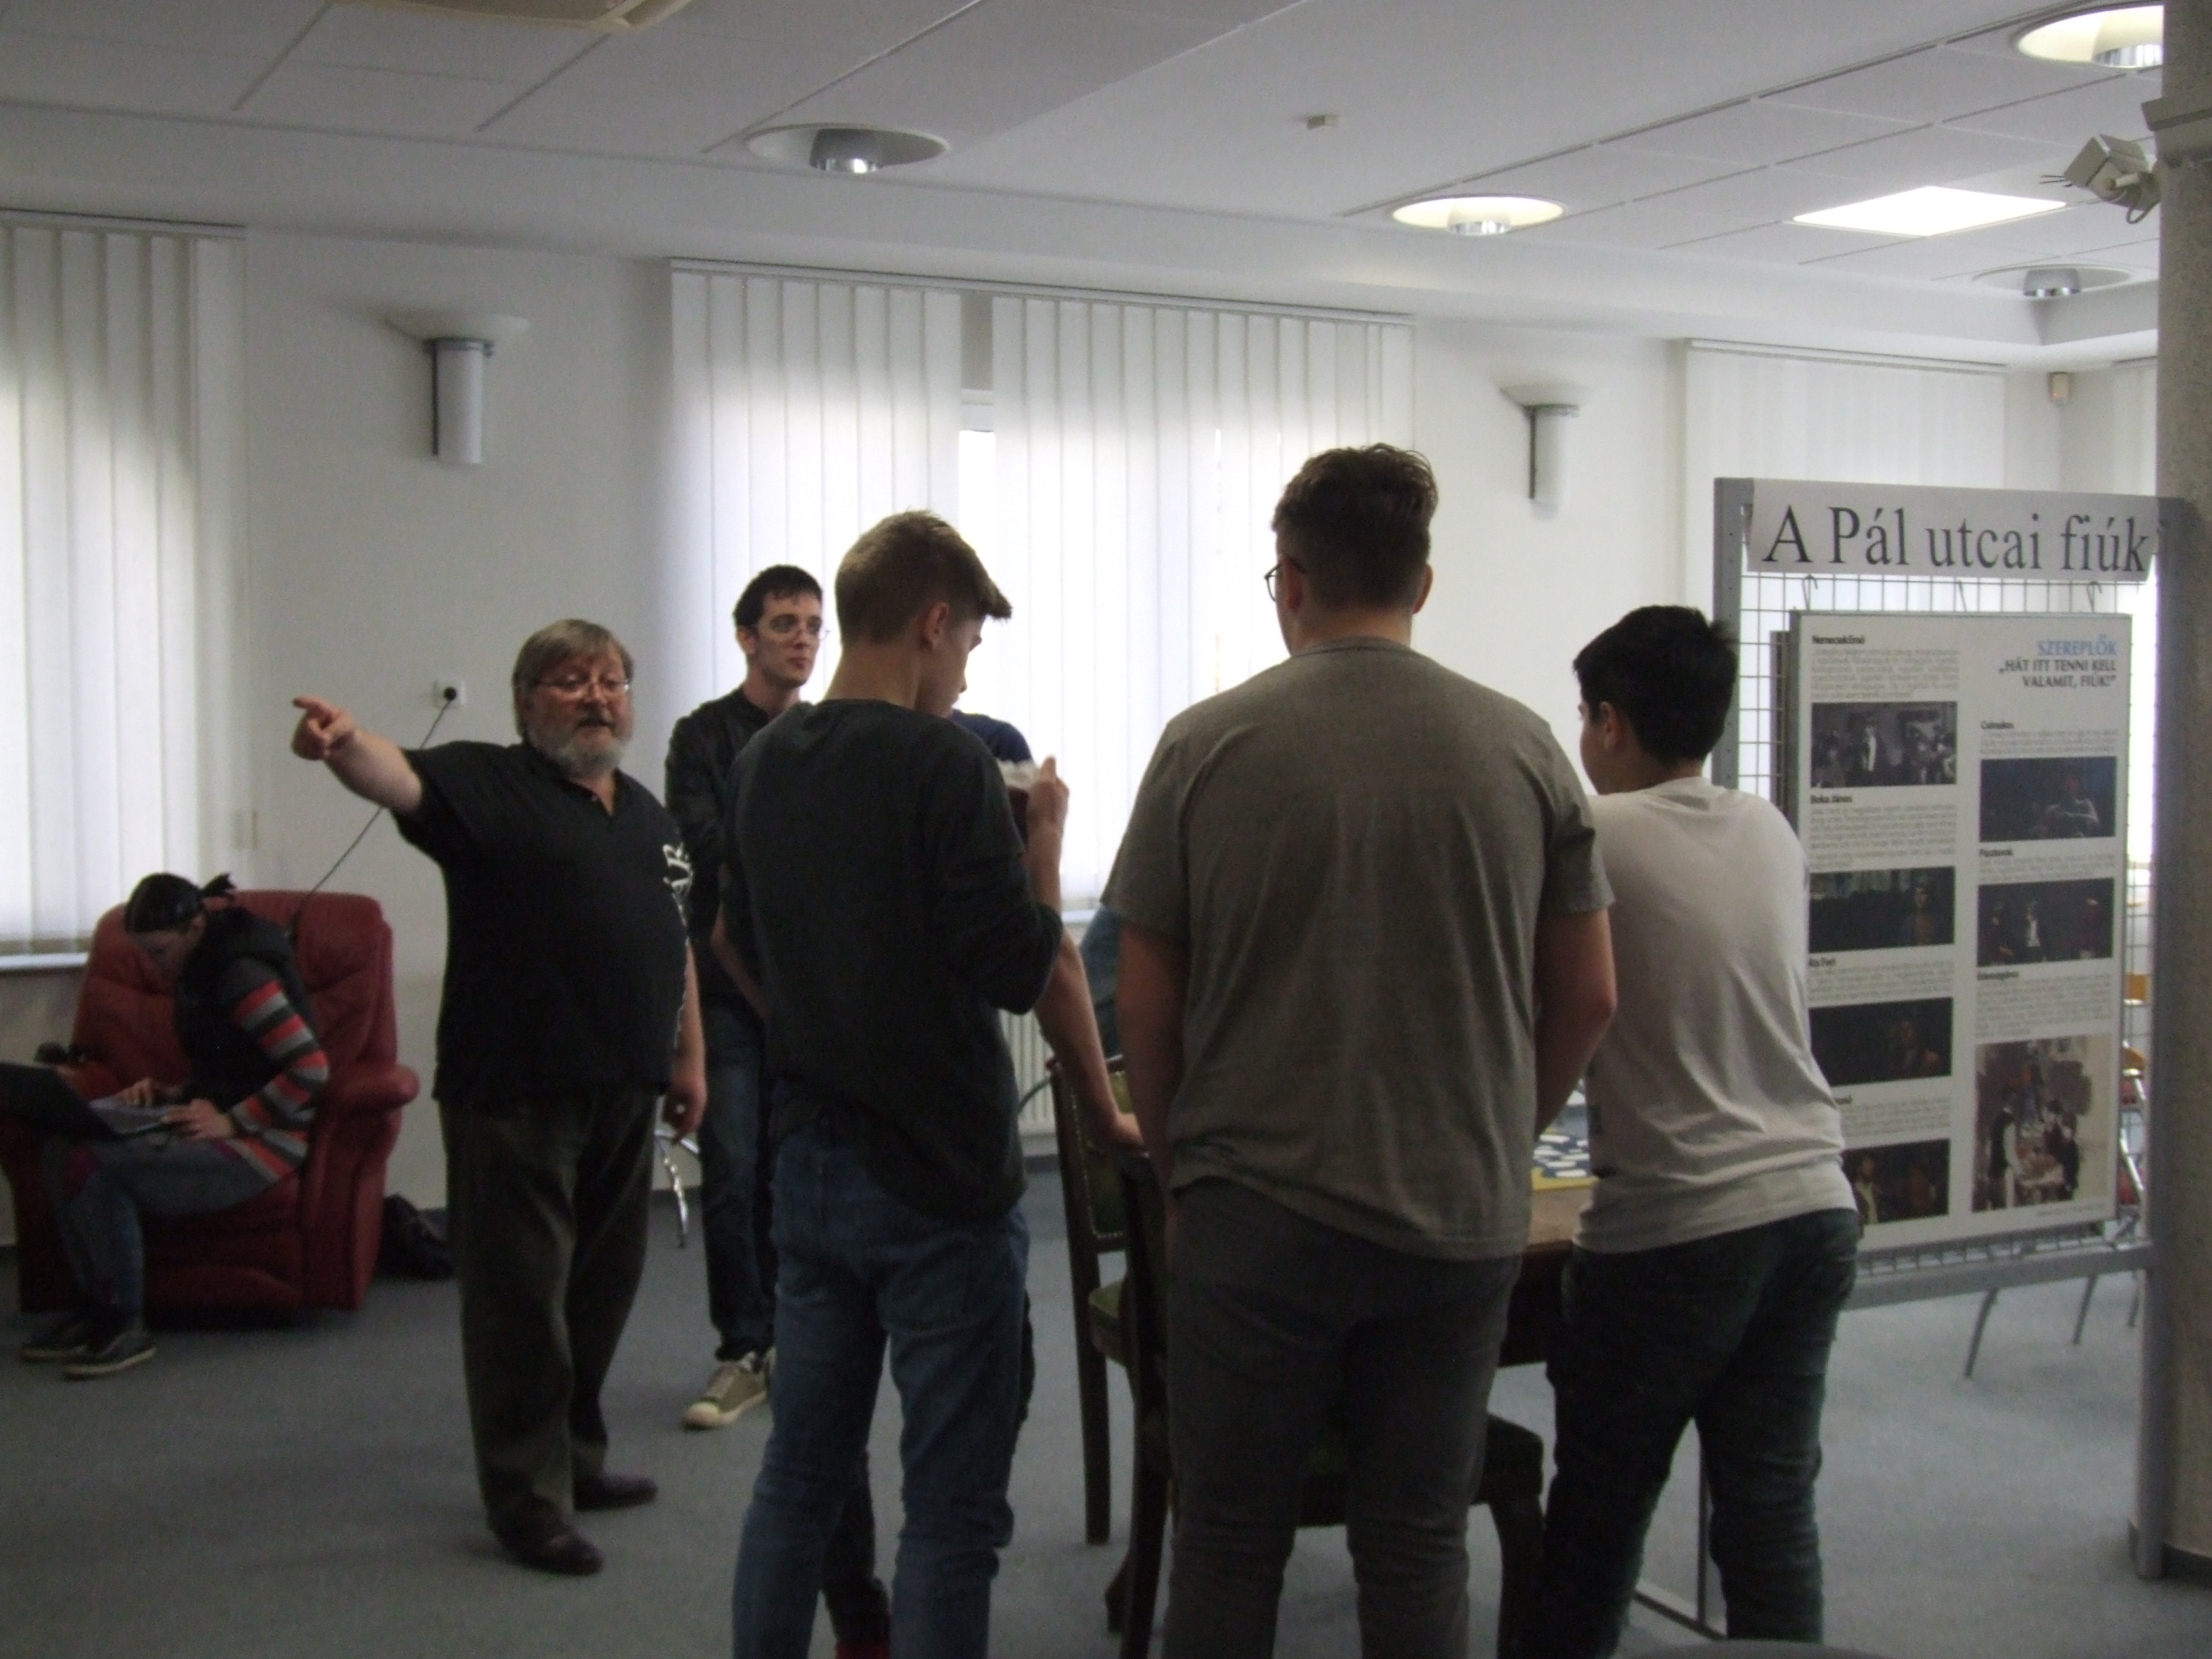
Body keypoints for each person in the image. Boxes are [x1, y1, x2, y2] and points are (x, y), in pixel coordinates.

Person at [1108, 444, 1617, 1659]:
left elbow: (1144, 1005)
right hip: (1455, 1215)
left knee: (1227, 1542)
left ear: (1288, 581)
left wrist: (1180, 1174)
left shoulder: (1202, 744)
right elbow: (1590, 995)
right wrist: (1499, 1131)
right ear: (1421, 584)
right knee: (1418, 1543)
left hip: (1253, 1211)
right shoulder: (1523, 748)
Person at [720, 511, 1132, 1659]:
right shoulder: (942, 761)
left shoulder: (763, 762)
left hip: (809, 1166)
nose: (965, 677)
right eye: (967, 649)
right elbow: (1018, 966)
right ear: (931, 622)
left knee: (799, 1476)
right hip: (941, 1181)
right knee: (952, 1514)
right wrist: (1044, 844)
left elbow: (734, 941)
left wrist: (823, 1028)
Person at [290, 619, 707, 1578]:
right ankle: (526, 1500)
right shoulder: (488, 782)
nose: (596, 697)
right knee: (521, 1306)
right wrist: (345, 745)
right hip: (513, 1093)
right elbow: (398, 777)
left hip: (624, 1089)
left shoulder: (650, 816)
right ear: (526, 702)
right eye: (570, 681)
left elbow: (675, 941)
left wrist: (690, 1059)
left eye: (611, 681)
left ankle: (577, 1461)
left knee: (599, 1295)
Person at [1528, 604, 1859, 1659]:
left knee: (1597, 1515)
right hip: (1812, 1204)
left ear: (1609, 722)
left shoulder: (1595, 834)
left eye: (1584, 716)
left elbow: (1559, 999)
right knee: (1770, 1513)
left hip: (1675, 1225)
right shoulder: (1768, 828)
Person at [4, 874, 329, 1380]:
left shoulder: (242, 975)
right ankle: (95, 1310)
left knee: (95, 1164)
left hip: (267, 1141)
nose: (155, 966)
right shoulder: (198, 966)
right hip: (217, 1120)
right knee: (59, 1150)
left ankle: (125, 1324)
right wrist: (169, 1094)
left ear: (195, 927)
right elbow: (230, 1065)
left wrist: (233, 1121)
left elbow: (310, 1068)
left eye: (159, 952)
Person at [666, 565, 824, 1432]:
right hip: (727, 992)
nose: (802, 639)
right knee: (731, 1171)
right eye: (785, 623)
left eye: (813, 625)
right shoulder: (701, 736)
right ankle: (742, 1349)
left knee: (794, 1174)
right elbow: (705, 852)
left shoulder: (826, 735)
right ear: (746, 636)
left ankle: (792, 1340)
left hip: (806, 992)